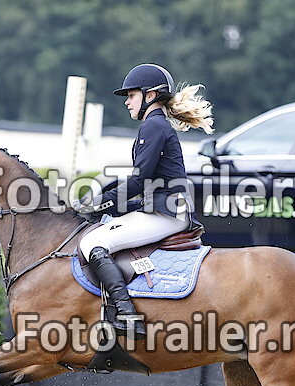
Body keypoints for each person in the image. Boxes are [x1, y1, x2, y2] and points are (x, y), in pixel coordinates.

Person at [73, 63, 214, 340]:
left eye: (131, 95)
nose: (127, 102)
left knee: (92, 243)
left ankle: (127, 313)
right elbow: (143, 186)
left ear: (150, 95)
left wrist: (97, 202)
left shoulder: (154, 126)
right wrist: (105, 205)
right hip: (160, 208)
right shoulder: (155, 125)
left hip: (167, 215)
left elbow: (137, 182)